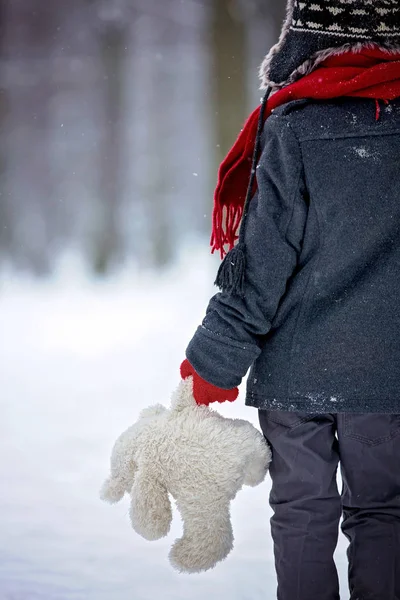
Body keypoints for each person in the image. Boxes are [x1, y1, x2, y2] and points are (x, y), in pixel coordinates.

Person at [180, 1, 400, 599]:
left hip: (297, 373)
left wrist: (211, 362)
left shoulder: (294, 125)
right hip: (388, 375)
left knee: (302, 514)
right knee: (383, 514)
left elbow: (260, 262)